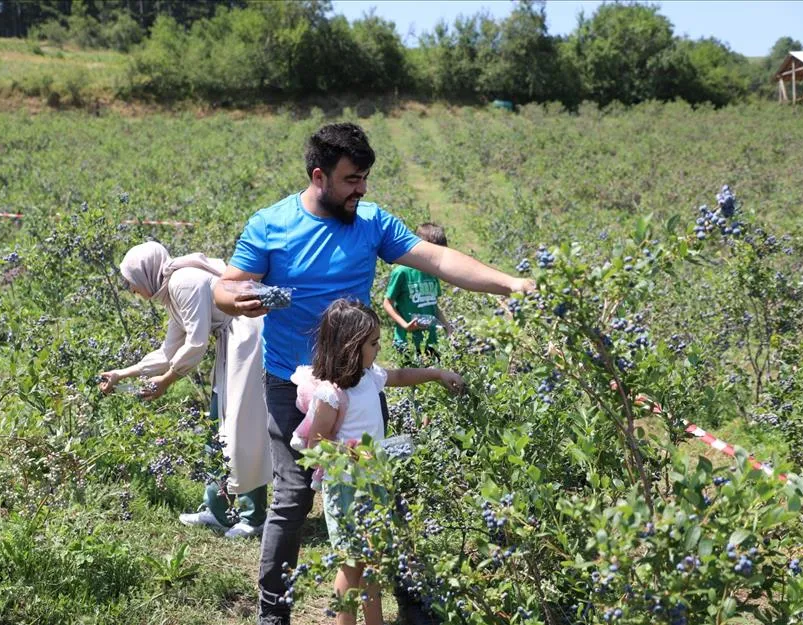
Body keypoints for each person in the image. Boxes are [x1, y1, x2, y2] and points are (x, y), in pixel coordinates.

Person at [212, 122, 533, 624]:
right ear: (319, 175)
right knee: (293, 498)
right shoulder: (270, 225)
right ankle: (273, 614)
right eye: (351, 179)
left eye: (365, 178)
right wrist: (238, 300)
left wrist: (509, 284)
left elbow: (436, 257)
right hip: (290, 385)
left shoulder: (372, 222)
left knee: (381, 492)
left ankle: (413, 602)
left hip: (356, 384)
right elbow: (225, 287)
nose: (361, 189)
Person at [297, 299, 463, 625]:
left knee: (375, 561)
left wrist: (436, 373)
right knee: (352, 564)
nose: (378, 348)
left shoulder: (368, 376)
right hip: (347, 489)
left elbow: (399, 375)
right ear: (350, 347)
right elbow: (316, 446)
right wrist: (362, 454)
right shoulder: (331, 394)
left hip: (374, 483)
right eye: (373, 343)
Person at [99, 242, 272, 538]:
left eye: (131, 283)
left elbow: (196, 343)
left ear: (145, 273)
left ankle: (253, 517)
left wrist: (167, 380)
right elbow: (169, 351)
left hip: (248, 342)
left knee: (242, 427)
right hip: (234, 344)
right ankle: (218, 511)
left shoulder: (183, 281)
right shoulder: (172, 290)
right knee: (218, 428)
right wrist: (120, 373)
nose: (131, 290)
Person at [382, 222, 453, 361]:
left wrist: (448, 327)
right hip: (407, 341)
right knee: (410, 380)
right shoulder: (402, 272)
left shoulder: (433, 272)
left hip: (430, 340)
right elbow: (387, 303)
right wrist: (405, 325)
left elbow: (434, 305)